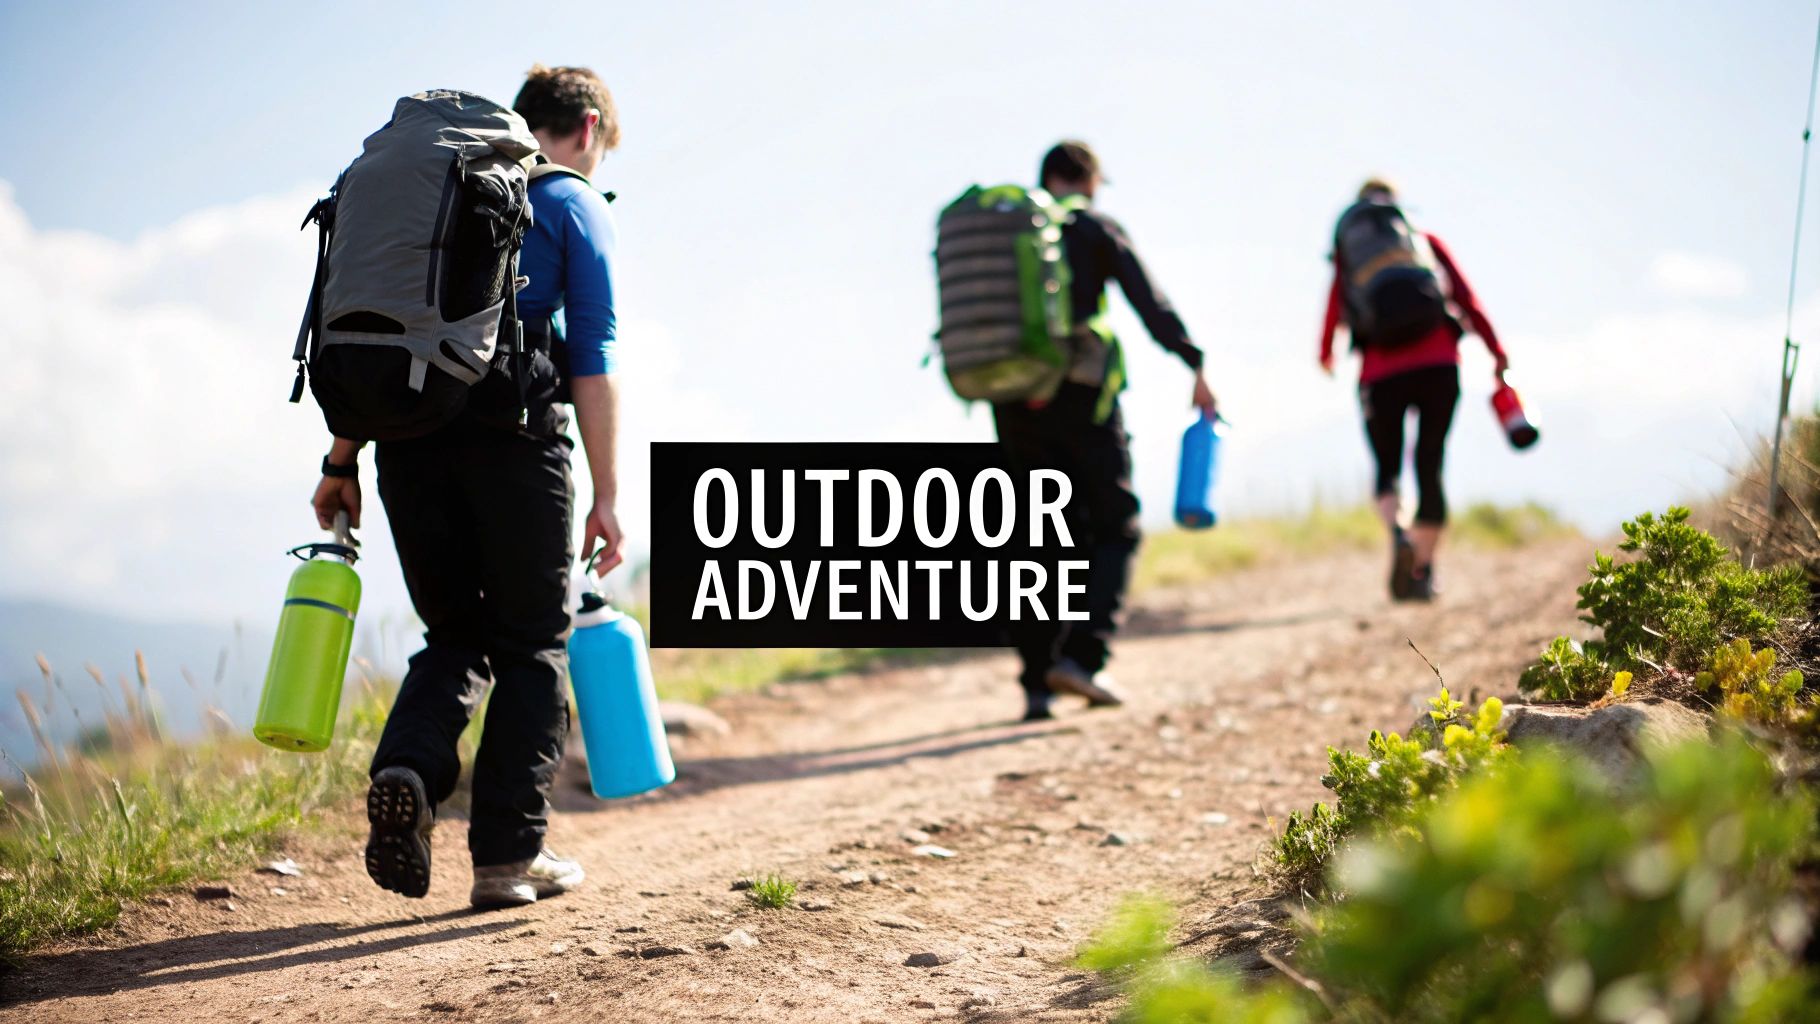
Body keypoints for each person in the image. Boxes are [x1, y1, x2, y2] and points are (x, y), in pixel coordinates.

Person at [310, 65, 626, 908]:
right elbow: (593, 356)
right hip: (516, 444)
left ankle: (409, 771)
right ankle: (508, 858)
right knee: (530, 644)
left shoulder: (438, 198)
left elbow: (389, 328)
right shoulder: (569, 201)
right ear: (588, 130)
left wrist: (340, 463)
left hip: (405, 438)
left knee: (452, 635)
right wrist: (606, 494)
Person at [996, 140, 1217, 722]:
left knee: (1038, 536)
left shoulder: (1008, 232)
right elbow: (1148, 301)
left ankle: (1036, 685)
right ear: (1088, 179)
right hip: (1082, 395)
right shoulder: (1092, 228)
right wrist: (1193, 360)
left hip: (1013, 397)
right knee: (1114, 525)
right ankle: (1083, 658)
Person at [1318, 178, 1509, 601]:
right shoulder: (1423, 240)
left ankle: (1399, 532)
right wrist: (1496, 351)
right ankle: (1422, 569)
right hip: (1438, 363)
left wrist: (1326, 351)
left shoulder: (1351, 252)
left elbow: (1335, 303)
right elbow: (1467, 298)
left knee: (1387, 468)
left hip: (1380, 372)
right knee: (1430, 462)